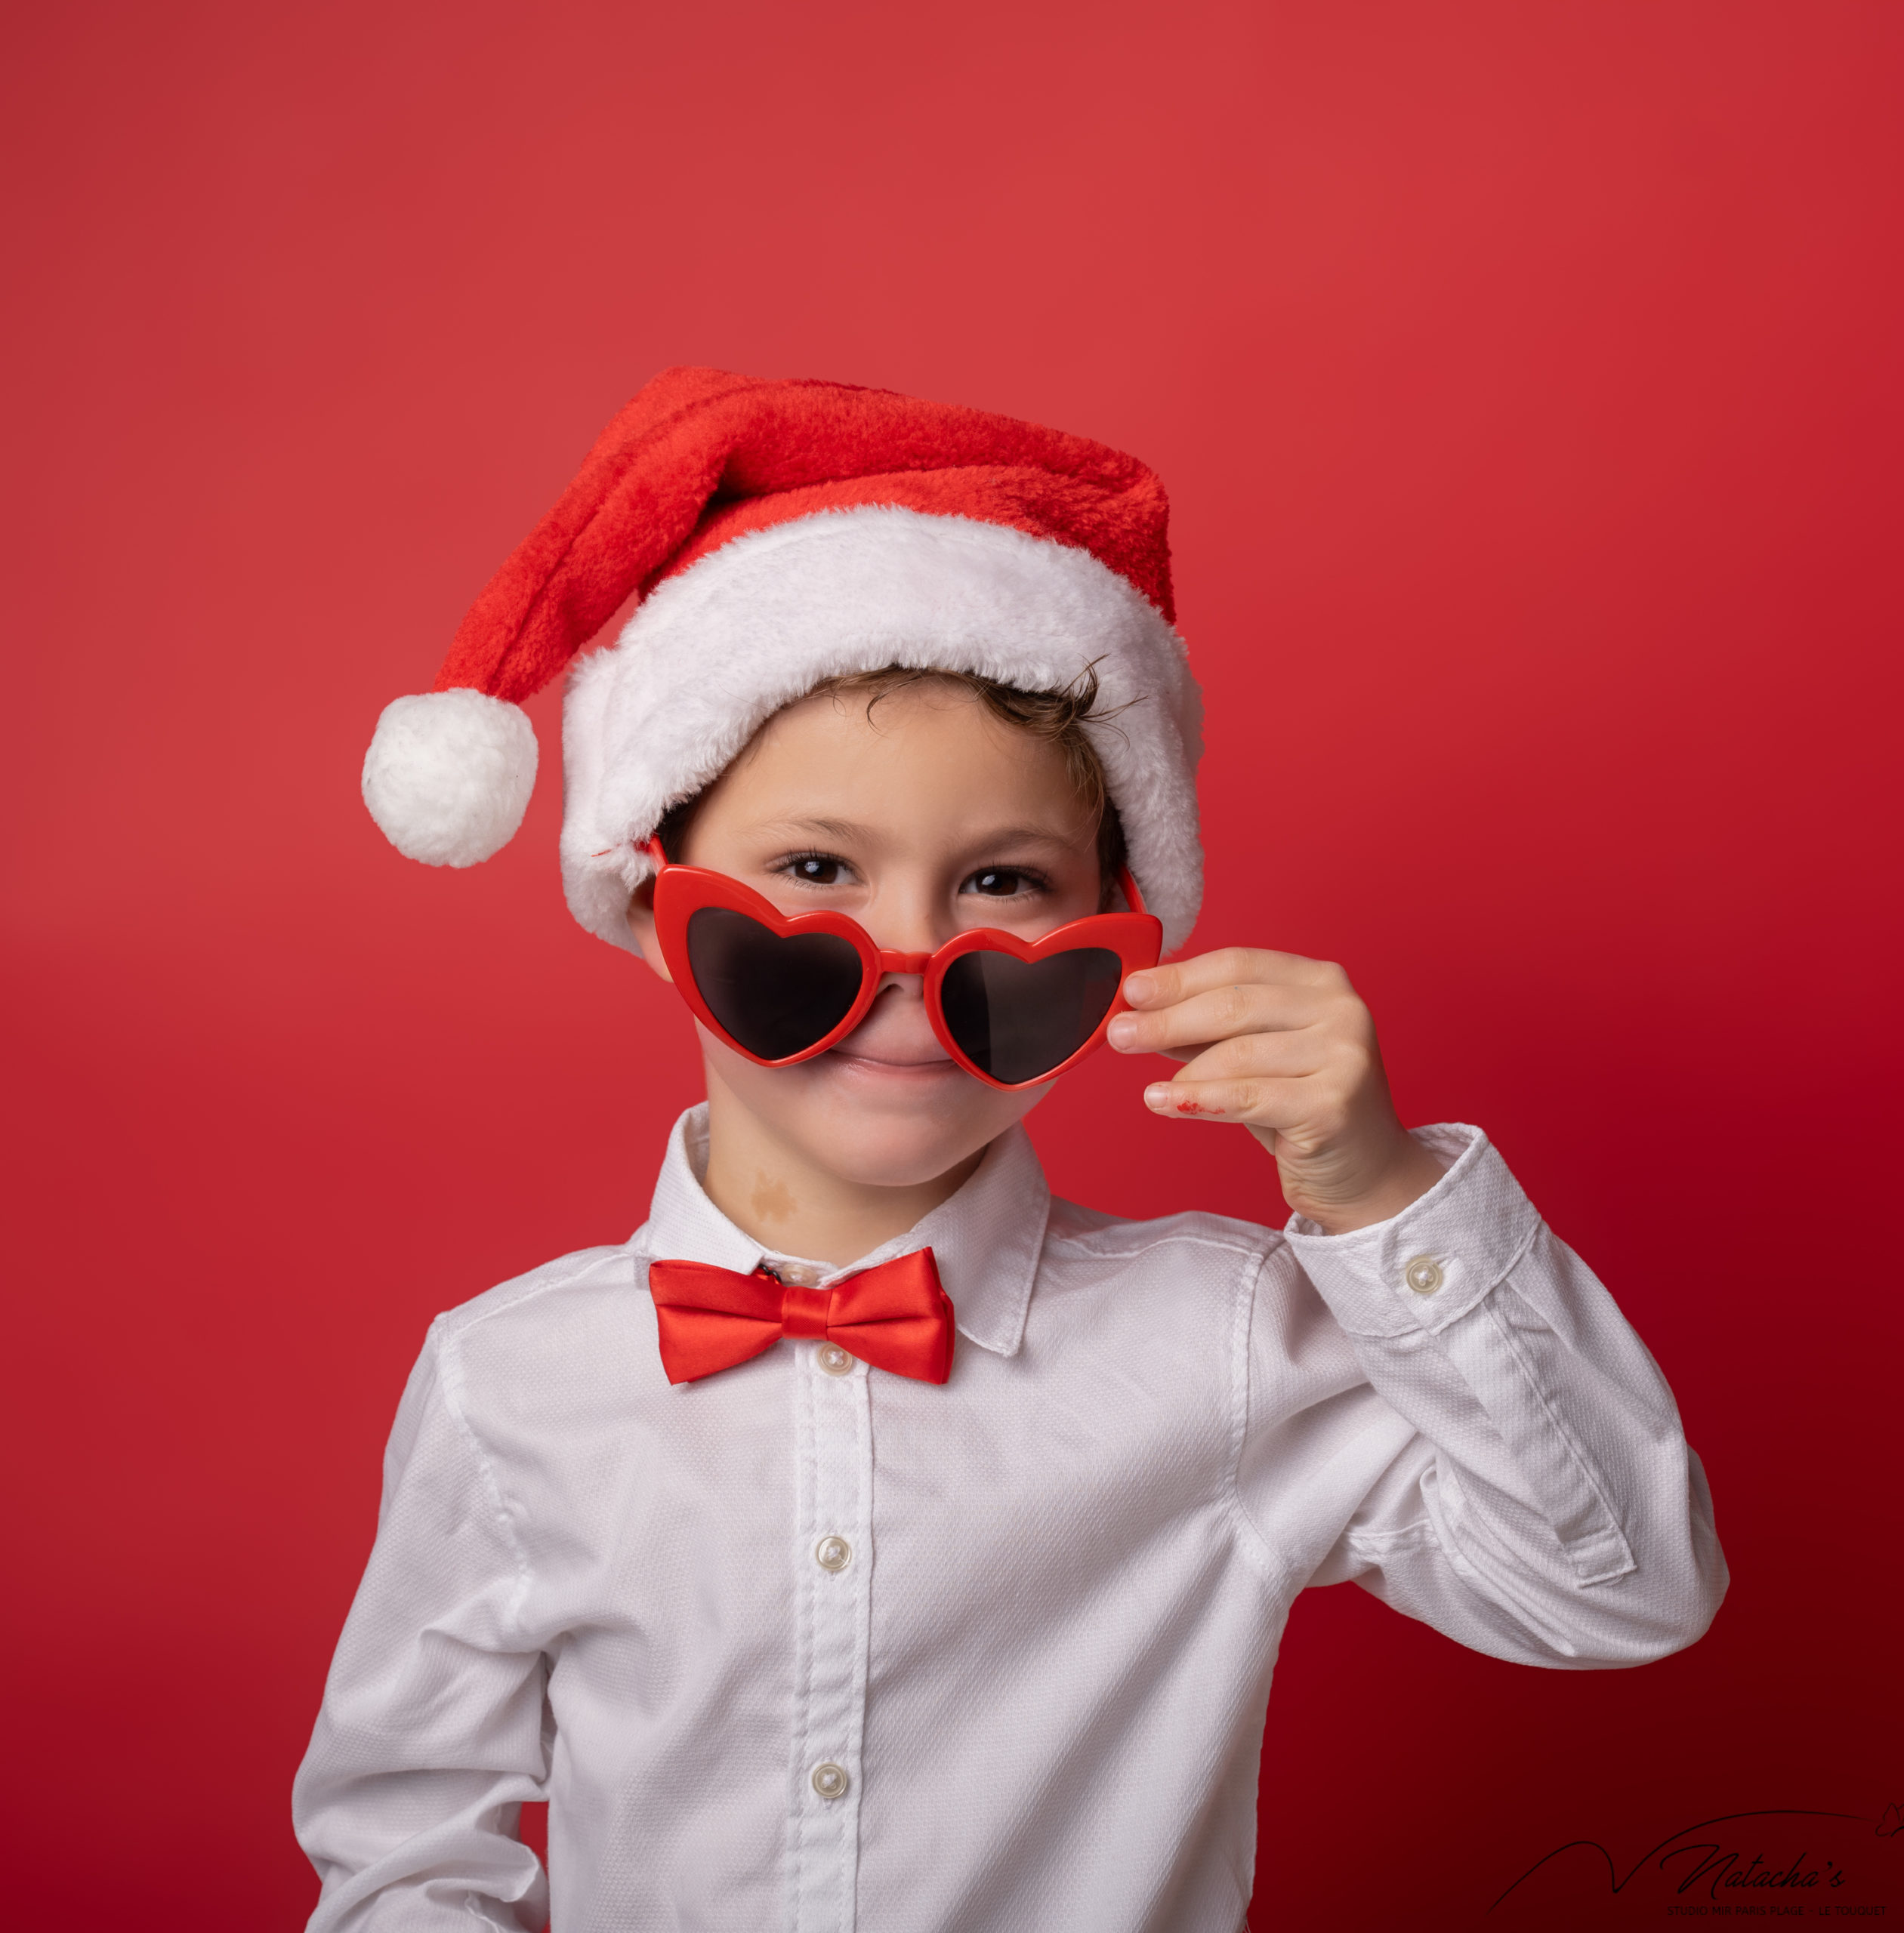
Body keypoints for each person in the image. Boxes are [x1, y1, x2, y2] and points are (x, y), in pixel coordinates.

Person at [296, 366, 1727, 1932]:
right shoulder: (506, 1382)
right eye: (815, 865)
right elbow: (407, 1845)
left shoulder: (1230, 1340)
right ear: (651, 904)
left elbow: (1621, 1588)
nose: (907, 956)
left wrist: (1378, 1190)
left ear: (1119, 928)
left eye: (999, 879)